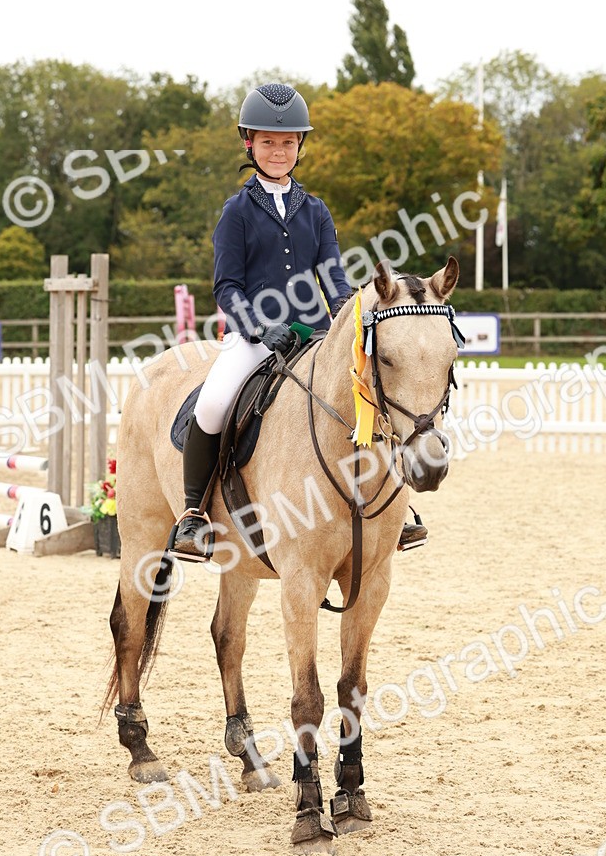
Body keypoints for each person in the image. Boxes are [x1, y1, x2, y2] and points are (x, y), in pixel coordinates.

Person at [171, 83, 426, 560]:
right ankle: (192, 515)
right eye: (268, 141)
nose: (278, 151)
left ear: (300, 146)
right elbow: (226, 287)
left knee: (371, 396)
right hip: (254, 338)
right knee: (212, 404)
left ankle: (396, 510)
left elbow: (334, 280)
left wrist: (351, 325)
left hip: (315, 337)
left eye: (287, 142)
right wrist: (258, 327)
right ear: (249, 142)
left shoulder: (316, 211)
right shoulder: (237, 212)